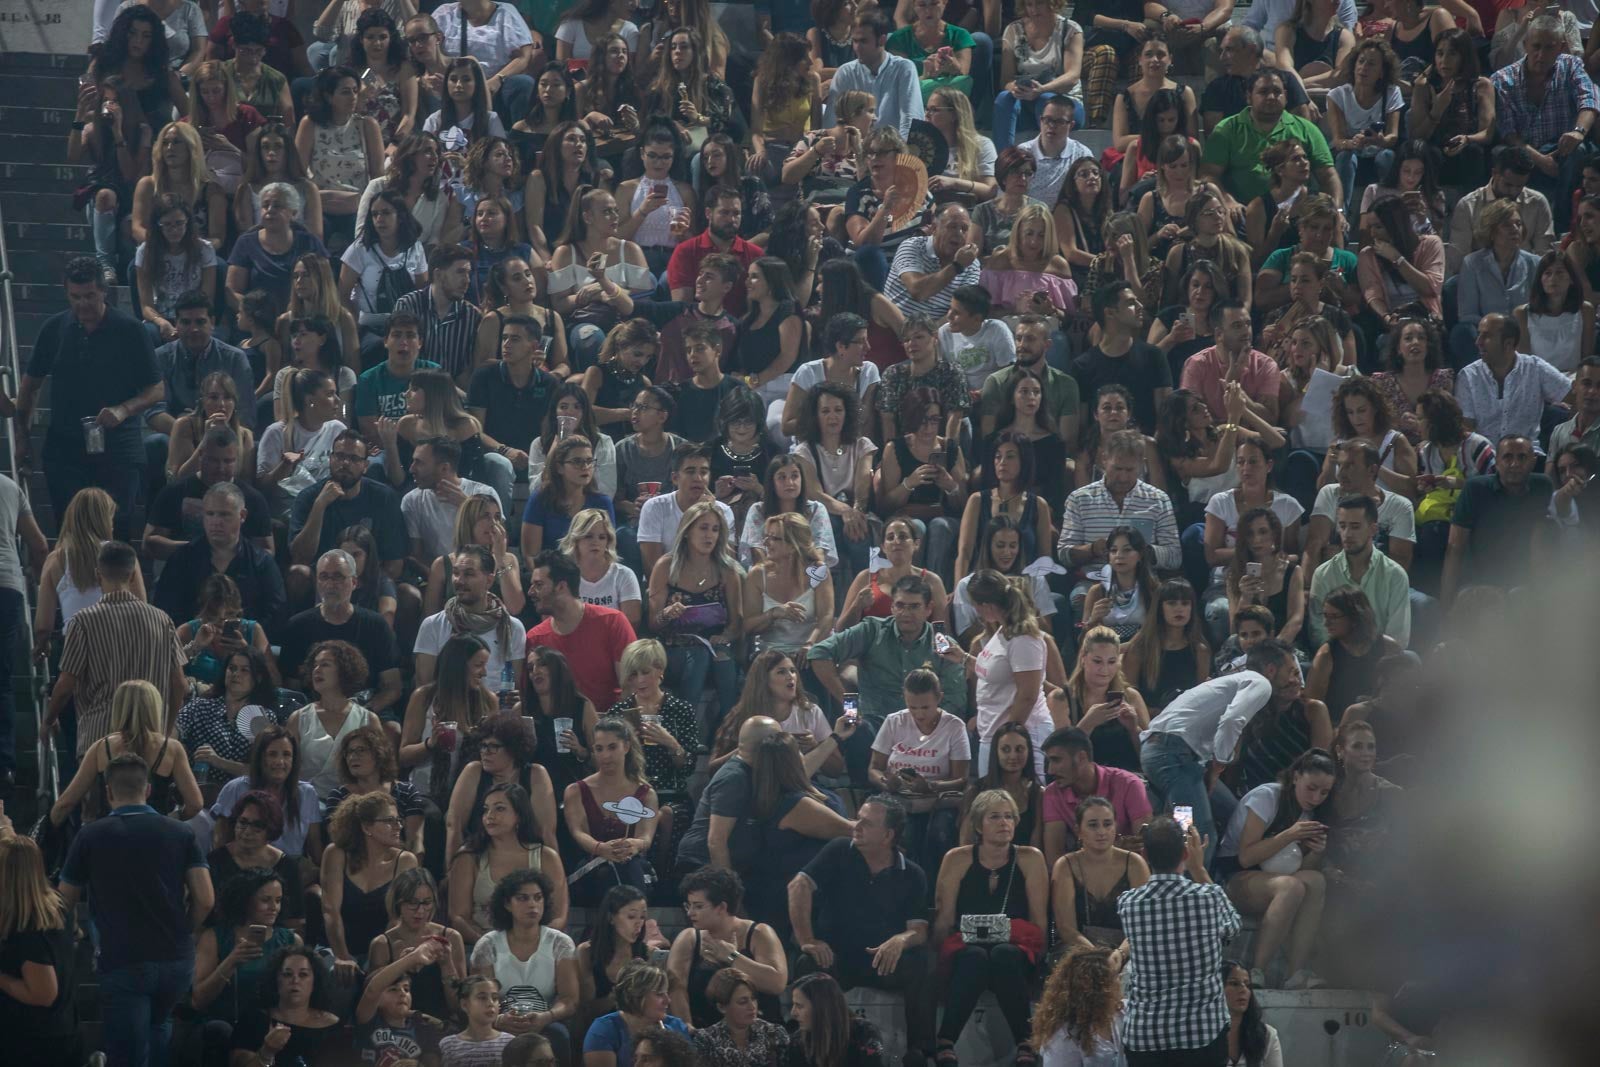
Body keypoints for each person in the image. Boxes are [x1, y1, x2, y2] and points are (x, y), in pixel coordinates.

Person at [59, 753, 214, 1067]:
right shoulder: (181, 833)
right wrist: (188, 928)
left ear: (108, 792)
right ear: (148, 791)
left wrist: (73, 930)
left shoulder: (90, 835)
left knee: (127, 1056)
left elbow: (64, 900)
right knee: (159, 1028)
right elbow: (206, 898)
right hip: (175, 958)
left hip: (122, 959)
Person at [17, 257, 163, 534]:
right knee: (70, 531)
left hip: (119, 448)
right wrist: (23, 438)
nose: (83, 304)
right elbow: (29, 387)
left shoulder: (131, 330)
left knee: (116, 529)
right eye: (75, 297)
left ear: (104, 292)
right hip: (65, 448)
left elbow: (156, 389)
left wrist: (124, 409)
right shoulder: (54, 329)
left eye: (90, 296)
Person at [788, 794, 936, 1061]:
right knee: (806, 962)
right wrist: (807, 939)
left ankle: (919, 1053)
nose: (856, 825)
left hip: (880, 961)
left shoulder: (912, 873)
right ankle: (804, 1048)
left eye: (866, 823)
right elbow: (798, 885)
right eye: (858, 818)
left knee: (921, 962)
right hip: (835, 957)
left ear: (888, 835)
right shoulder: (839, 850)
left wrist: (900, 940)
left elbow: (919, 929)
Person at [1138, 639, 1301, 862]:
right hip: (1173, 757)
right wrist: (1218, 765)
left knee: (1233, 815)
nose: (1295, 679)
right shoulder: (1260, 682)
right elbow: (1232, 720)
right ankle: (1193, 891)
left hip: (1171, 756)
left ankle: (1217, 878)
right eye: (1291, 671)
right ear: (1271, 670)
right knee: (1198, 832)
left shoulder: (1231, 681)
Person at [931, 788, 1050, 1067]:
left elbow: (1039, 920)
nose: (1004, 823)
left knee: (1003, 954)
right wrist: (937, 964)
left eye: (1009, 816)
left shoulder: (1031, 858)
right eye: (995, 816)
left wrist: (1041, 958)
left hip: (1016, 949)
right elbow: (945, 919)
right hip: (967, 948)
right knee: (975, 957)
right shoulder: (956, 858)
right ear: (978, 825)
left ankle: (1026, 1043)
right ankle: (945, 1041)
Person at [44, 541, 187, 759]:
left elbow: (65, 685)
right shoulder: (162, 620)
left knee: (99, 793)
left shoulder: (82, 622)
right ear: (132, 576)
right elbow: (179, 684)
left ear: (97, 574)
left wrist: (49, 718)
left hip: (98, 740)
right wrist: (166, 730)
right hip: (151, 740)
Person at [1116, 817, 1239, 1065]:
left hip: (1145, 1036)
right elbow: (1233, 927)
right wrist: (1199, 869)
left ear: (1145, 854)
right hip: (1202, 1035)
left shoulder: (1128, 903)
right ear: (1185, 853)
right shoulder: (1210, 897)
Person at [1214, 748, 1336, 990]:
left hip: (1275, 876)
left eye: (1324, 792)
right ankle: (1257, 970)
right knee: (1291, 887)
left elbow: (1303, 868)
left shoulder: (1309, 812)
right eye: (1311, 788)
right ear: (1296, 777)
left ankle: (1296, 972)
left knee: (1316, 880)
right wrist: (1289, 834)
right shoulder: (1267, 797)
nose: (1316, 797)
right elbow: (1246, 857)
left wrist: (1316, 850)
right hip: (1234, 876)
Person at [1489, 15, 1600, 232]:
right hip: (1523, 149)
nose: (1541, 55)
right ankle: (1502, 224)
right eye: (1536, 46)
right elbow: (1508, 132)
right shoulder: (1503, 79)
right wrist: (1540, 160)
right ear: (1525, 45)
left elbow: (1589, 101)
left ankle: (1563, 228)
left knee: (1580, 151)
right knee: (1501, 154)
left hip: (1561, 147)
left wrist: (1578, 132)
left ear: (1560, 48)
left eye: (1549, 48)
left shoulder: (1572, 66)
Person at [51, 679, 202, 826]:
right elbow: (195, 804)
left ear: (118, 708)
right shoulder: (172, 749)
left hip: (110, 834)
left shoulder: (101, 748)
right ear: (155, 708)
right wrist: (171, 820)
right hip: (156, 835)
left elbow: (66, 803)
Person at [189, 867, 301, 1064]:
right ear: (245, 901)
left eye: (278, 900)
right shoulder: (215, 937)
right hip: (226, 1024)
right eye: (265, 900)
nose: (274, 907)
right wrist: (231, 962)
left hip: (272, 1025)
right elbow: (198, 1000)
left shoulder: (291, 940)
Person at [1200, 69, 1341, 224]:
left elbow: (1328, 176)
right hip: (1242, 214)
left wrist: (1336, 211)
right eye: (1263, 92)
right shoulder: (1226, 129)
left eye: (1277, 92)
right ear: (1249, 97)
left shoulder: (1306, 129)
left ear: (1286, 96)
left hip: (1298, 216)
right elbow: (1209, 175)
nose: (1271, 97)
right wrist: (1227, 201)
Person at [470, 868, 580, 1062]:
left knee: (559, 1035)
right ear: (507, 904)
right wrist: (498, 1020)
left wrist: (547, 1016)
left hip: (545, 1022)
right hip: (499, 1021)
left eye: (538, 898)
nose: (533, 905)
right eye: (523, 898)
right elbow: (477, 998)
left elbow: (570, 1000)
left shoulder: (560, 943)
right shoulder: (487, 945)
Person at [277, 548, 403, 717]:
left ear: (354, 582)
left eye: (338, 577)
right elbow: (292, 687)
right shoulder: (298, 626)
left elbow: (392, 686)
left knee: (392, 730)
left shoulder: (376, 625)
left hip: (365, 708)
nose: (330, 584)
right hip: (313, 711)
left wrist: (362, 713)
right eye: (324, 577)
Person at [1058, 429, 1183, 592]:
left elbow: (1175, 556)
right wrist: (1093, 549)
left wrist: (1142, 552)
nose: (1123, 477)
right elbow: (1064, 554)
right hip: (1094, 582)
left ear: (1142, 465)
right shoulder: (1079, 499)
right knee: (1080, 597)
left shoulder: (1158, 500)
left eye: (1130, 470)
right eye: (1117, 469)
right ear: (1104, 460)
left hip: (1143, 583)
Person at [665, 866, 787, 1029]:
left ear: (721, 907)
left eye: (698, 906)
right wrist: (686, 1027)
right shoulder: (688, 938)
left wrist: (731, 957)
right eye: (689, 906)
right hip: (704, 1032)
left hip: (759, 1032)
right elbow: (676, 988)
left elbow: (777, 983)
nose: (690, 913)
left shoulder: (759, 933)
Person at [448, 776, 567, 943]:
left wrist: (533, 944)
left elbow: (558, 916)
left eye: (500, 809)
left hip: (537, 945)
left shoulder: (546, 857)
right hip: (485, 944)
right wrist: (491, 946)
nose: (489, 816)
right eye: (486, 809)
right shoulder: (469, 857)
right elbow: (459, 917)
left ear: (519, 815)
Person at [0, 835, 82, 1067]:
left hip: (32, 1043)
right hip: (60, 1032)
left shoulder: (29, 927)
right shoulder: (56, 906)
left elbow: (43, 994)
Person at [527, 550, 638, 711]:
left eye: (538, 585)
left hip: (609, 724)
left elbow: (631, 686)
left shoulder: (612, 622)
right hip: (559, 727)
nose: (530, 592)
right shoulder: (535, 638)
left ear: (561, 586)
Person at [414, 544, 527, 695]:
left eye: (468, 574)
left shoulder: (513, 628)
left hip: (497, 712)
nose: (459, 581)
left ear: (489, 580)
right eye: (455, 573)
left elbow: (516, 687)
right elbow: (425, 689)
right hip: (447, 712)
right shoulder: (432, 626)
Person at [1303, 440, 1417, 585]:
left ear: (1372, 470)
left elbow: (1399, 561)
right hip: (1334, 583)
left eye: (1350, 466)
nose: (1341, 474)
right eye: (1340, 465)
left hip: (1381, 587)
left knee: (1424, 603)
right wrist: (1307, 589)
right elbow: (1314, 545)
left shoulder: (1399, 506)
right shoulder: (1330, 493)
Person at [1308, 495, 1412, 651]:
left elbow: (1398, 636)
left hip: (1381, 660)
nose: (1347, 534)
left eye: (1355, 526)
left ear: (1373, 529)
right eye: (1342, 526)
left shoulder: (1395, 575)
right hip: (1337, 658)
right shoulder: (1323, 574)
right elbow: (1319, 631)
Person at [1041, 725, 1153, 867]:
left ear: (1081, 757)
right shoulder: (1053, 793)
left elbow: (1148, 848)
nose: (1050, 770)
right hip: (1082, 876)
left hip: (1128, 869)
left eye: (1056, 760)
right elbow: (1054, 859)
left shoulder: (1129, 784)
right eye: (1049, 762)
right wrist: (1111, 849)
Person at [211, 727, 325, 863]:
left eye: (286, 755)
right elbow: (219, 843)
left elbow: (315, 848)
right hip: (244, 867)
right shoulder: (236, 788)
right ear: (260, 757)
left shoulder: (307, 793)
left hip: (291, 869)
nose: (280, 762)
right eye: (272, 754)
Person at [1455, 314, 1570, 446]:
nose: (1478, 342)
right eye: (1479, 334)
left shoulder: (1535, 368)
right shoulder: (1467, 376)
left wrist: (1567, 434)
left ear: (1508, 344)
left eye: (1486, 336)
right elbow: (1466, 431)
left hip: (1527, 455)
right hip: (1484, 458)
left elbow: (1575, 397)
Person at [284, 639, 381, 795]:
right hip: (306, 804)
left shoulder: (368, 720)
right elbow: (287, 770)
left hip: (353, 803)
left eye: (325, 664)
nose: (317, 670)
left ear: (344, 670)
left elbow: (379, 771)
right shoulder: (298, 719)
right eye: (315, 665)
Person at [1073, 284, 1172, 435]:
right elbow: (1082, 426)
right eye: (1131, 303)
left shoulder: (1153, 356)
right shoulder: (1083, 366)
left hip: (1146, 450)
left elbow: (1165, 418)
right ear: (1110, 313)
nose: (1140, 306)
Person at [1446, 144, 1555, 276]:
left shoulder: (1537, 203)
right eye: (1508, 185)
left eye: (1519, 186)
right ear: (1494, 174)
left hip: (1526, 277)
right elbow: (1458, 260)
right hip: (1480, 277)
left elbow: (1544, 254)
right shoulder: (1468, 206)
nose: (1513, 191)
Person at [227, 945, 345, 1066]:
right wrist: (266, 1052)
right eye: (287, 974)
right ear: (276, 979)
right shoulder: (254, 1019)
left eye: (303, 975)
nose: (295, 980)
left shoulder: (332, 1025)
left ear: (315, 981)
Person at [576, 885, 669, 1027]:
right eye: (631, 916)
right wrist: (623, 988)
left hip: (640, 1028)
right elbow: (587, 1011)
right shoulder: (587, 952)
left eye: (643, 917)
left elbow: (655, 1008)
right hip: (601, 1027)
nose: (639, 924)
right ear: (611, 917)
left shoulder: (649, 954)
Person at [823, 7, 926, 135]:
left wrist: (901, 153)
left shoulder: (904, 68)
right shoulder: (845, 72)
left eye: (864, 41)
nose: (857, 47)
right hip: (853, 150)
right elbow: (832, 122)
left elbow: (911, 119)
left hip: (893, 149)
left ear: (882, 40)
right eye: (855, 41)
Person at [322, 726, 425, 853]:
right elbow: (337, 842)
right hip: (354, 863)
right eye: (349, 752)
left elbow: (414, 841)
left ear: (379, 753)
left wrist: (411, 869)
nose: (353, 757)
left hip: (399, 862)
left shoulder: (406, 791)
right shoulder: (338, 795)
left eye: (361, 750)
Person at [883, 203, 984, 321]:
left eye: (964, 229)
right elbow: (918, 291)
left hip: (935, 333)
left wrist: (932, 336)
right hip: (895, 324)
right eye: (952, 226)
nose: (959, 233)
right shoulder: (912, 246)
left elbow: (960, 311)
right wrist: (956, 266)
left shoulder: (971, 264)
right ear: (934, 228)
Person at [584, 962, 692, 1067]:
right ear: (635, 996)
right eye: (659, 994)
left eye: (666, 992)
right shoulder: (605, 1030)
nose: (668, 1000)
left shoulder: (676, 1027)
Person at [1031, 947, 1123, 1067]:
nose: (1120, 981)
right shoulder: (1063, 1036)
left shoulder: (1121, 1012)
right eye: (1114, 977)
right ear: (1097, 988)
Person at [692, 966, 792, 1067]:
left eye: (753, 999)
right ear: (722, 1007)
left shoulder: (774, 1033)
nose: (752, 1006)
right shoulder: (706, 1041)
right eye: (742, 1002)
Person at [786, 972, 888, 1067]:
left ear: (822, 1007)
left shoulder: (864, 1033)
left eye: (799, 1006)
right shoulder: (797, 1042)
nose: (793, 1013)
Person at [1221, 960, 1284, 1067]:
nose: (1243, 990)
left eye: (1247, 985)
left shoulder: (1267, 1035)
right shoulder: (1204, 1035)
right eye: (1234, 983)